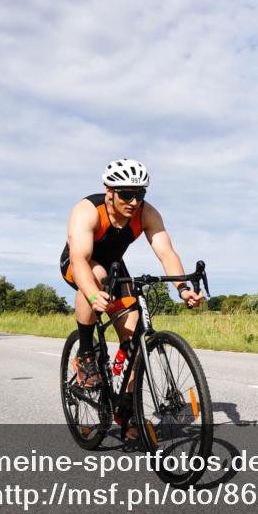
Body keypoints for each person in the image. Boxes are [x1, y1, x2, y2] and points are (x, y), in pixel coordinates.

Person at [59, 158, 204, 393]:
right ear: (109, 190)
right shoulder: (87, 211)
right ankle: (85, 355)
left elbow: (166, 253)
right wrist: (94, 294)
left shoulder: (146, 213)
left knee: (134, 344)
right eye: (126, 194)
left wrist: (183, 289)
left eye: (140, 194)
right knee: (97, 272)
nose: (134, 202)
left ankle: (127, 414)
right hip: (79, 264)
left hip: (115, 268)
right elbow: (79, 260)